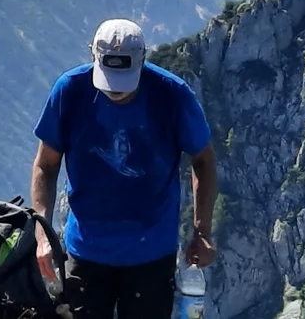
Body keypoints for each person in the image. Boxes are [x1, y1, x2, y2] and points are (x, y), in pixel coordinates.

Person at [30, 18, 218, 318]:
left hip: (152, 255)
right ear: (94, 57)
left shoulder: (172, 94)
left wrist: (202, 231)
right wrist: (42, 233)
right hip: (86, 252)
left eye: (125, 80)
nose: (116, 92)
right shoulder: (70, 91)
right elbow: (45, 164)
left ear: (142, 61)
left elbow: (204, 161)